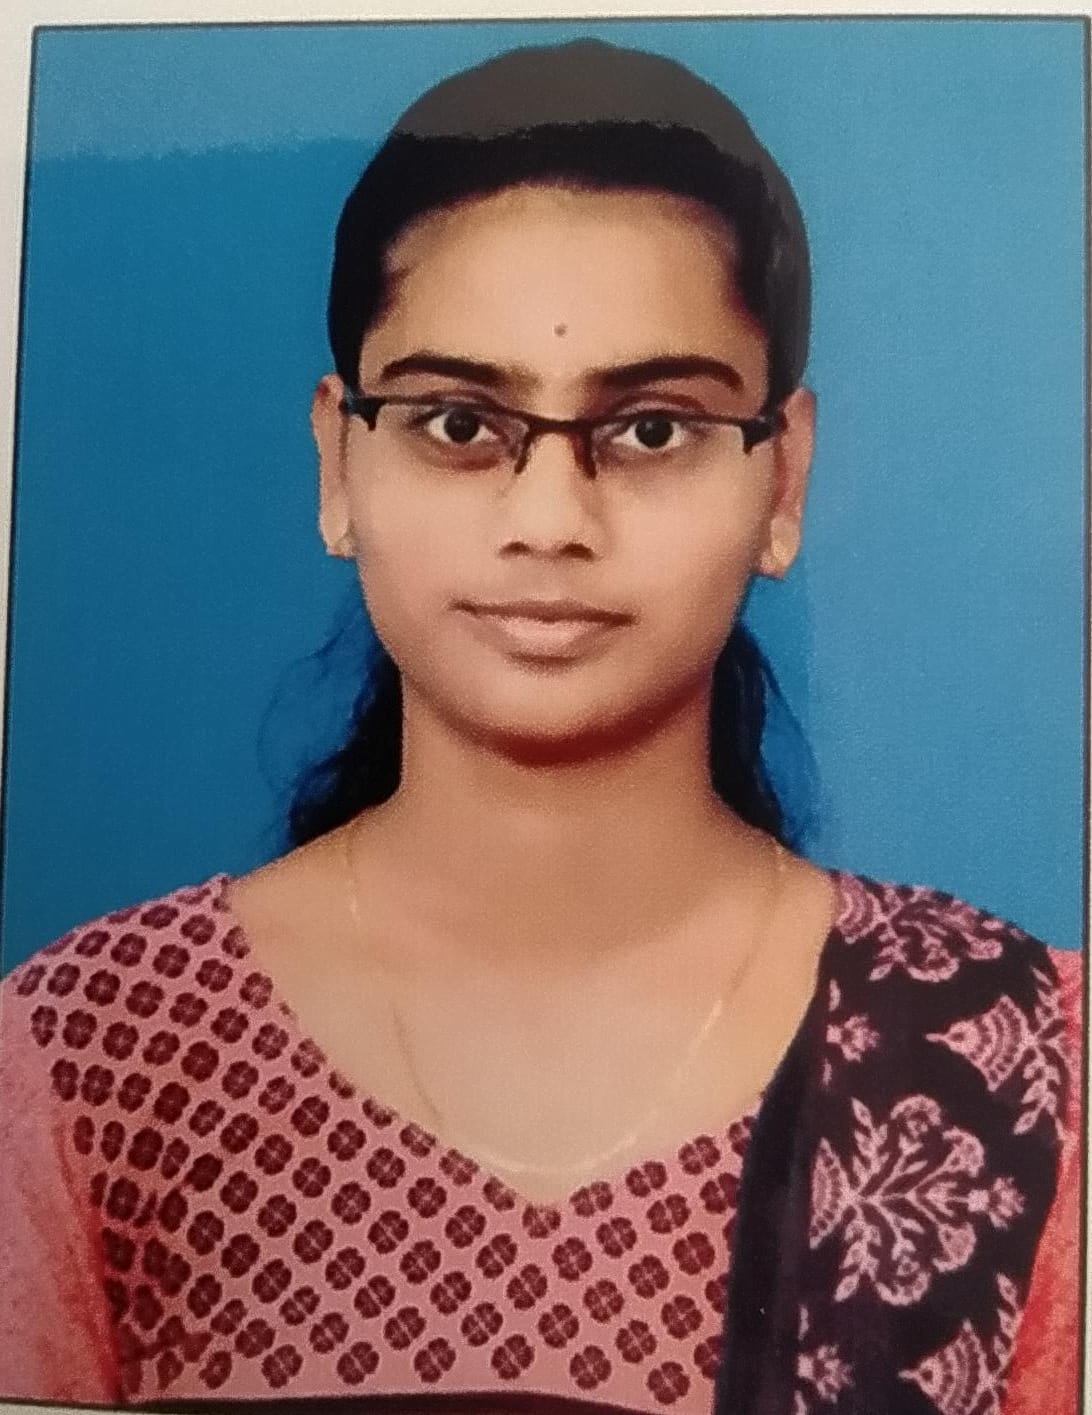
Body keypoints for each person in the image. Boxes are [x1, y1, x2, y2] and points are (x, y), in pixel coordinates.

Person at [0, 36, 1081, 1415]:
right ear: (339, 464)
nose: (550, 521)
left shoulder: (1025, 1063)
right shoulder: (94, 1057)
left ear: (783, 481)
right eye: (459, 422)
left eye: (651, 430)